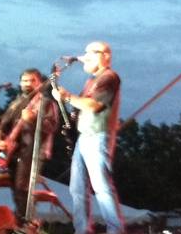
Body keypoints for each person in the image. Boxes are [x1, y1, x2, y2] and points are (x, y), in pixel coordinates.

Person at [52, 41, 125, 234]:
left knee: (101, 186)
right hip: (85, 138)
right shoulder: (91, 81)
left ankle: (115, 230)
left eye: (90, 53)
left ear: (105, 56)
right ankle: (82, 230)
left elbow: (94, 105)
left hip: (98, 136)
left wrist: (66, 97)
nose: (84, 56)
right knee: (77, 189)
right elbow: (82, 105)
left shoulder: (109, 77)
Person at [0, 68, 59, 228]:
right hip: (13, 151)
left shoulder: (46, 103)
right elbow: (2, 126)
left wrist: (34, 118)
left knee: (22, 187)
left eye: (32, 80)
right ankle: (22, 222)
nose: (28, 84)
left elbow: (52, 126)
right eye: (24, 81)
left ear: (39, 83)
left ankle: (28, 223)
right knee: (15, 189)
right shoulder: (16, 102)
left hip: (33, 151)